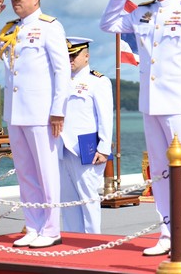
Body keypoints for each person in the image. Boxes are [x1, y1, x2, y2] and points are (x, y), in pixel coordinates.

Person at [100, 0, 181, 257]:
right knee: (159, 173)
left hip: (179, 105)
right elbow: (108, 25)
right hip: (150, 104)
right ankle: (167, 232)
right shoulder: (142, 12)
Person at [0, 0, 70, 249]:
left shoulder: (50, 27)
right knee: (25, 173)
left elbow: (62, 71)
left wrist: (58, 110)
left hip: (42, 113)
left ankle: (51, 229)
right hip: (16, 113)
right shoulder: (10, 29)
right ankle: (33, 225)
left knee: (46, 172)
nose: (16, 0)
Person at [59, 37, 113, 234]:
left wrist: (104, 149)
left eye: (74, 55)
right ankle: (72, 238)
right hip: (62, 147)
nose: (70, 60)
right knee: (67, 200)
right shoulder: (59, 80)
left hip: (85, 147)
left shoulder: (98, 81)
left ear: (87, 56)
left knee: (88, 198)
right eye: (67, 56)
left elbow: (105, 117)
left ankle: (92, 240)